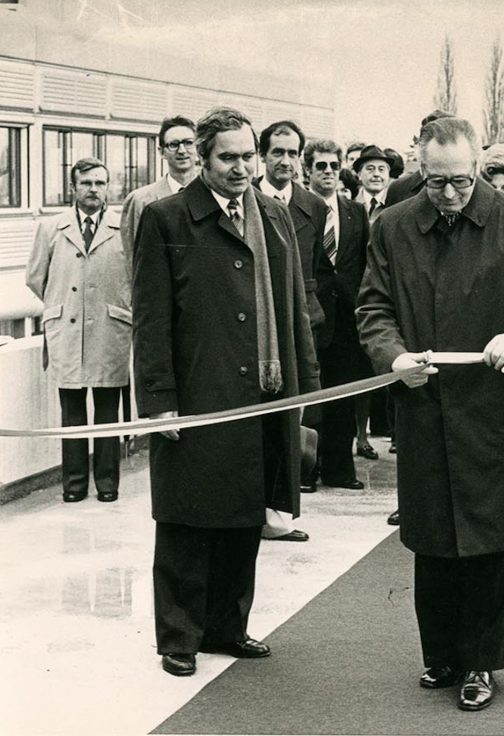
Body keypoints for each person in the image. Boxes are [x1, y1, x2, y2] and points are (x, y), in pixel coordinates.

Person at [356, 116, 504, 712]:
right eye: (435, 182)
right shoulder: (393, 226)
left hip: (495, 409)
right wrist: (393, 356)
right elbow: (372, 305)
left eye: (460, 181)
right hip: (425, 406)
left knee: (488, 540)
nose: (449, 195)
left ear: (477, 167)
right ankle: (441, 654)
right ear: (418, 170)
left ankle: (479, 661)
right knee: (433, 536)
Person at [132, 107, 319, 677]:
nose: (242, 168)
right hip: (199, 392)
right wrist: (159, 400)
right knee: (189, 519)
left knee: (245, 514)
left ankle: (226, 626)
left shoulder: (274, 216)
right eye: (228, 158)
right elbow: (151, 319)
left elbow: (293, 305)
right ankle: (179, 636)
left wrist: (304, 387)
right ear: (204, 159)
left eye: (248, 157)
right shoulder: (166, 219)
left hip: (265, 391)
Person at [26, 157, 130, 504]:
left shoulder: (123, 228)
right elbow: (36, 277)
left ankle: (107, 483)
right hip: (66, 329)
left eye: (100, 184)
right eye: (86, 183)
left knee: (106, 412)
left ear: (108, 188)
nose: (94, 190)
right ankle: (73, 484)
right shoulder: (52, 228)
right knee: (71, 412)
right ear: (73, 188)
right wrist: (63, 305)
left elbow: (134, 277)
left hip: (109, 328)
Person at [254, 119, 332, 541]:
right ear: (263, 156)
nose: (285, 161)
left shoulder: (314, 208)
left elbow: (317, 271)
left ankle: (281, 515)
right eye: (277, 152)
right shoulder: (245, 201)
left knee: (291, 420)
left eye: (291, 153)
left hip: (297, 322)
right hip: (253, 323)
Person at [304, 138, 371, 492]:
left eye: (333, 166)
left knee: (344, 396)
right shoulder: (300, 209)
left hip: (347, 318)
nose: (328, 172)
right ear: (308, 170)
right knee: (313, 400)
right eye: (320, 166)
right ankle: (307, 470)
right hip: (313, 317)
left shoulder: (355, 212)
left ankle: (340, 469)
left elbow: (363, 262)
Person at [120, 116, 198, 268]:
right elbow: (132, 259)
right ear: (161, 152)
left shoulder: (215, 195)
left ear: (199, 148)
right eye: (173, 145)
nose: (182, 151)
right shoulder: (140, 200)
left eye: (188, 143)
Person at [353, 144, 392, 224]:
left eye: (381, 169)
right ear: (359, 174)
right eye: (370, 169)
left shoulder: (395, 203)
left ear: (388, 174)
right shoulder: (350, 205)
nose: (376, 174)